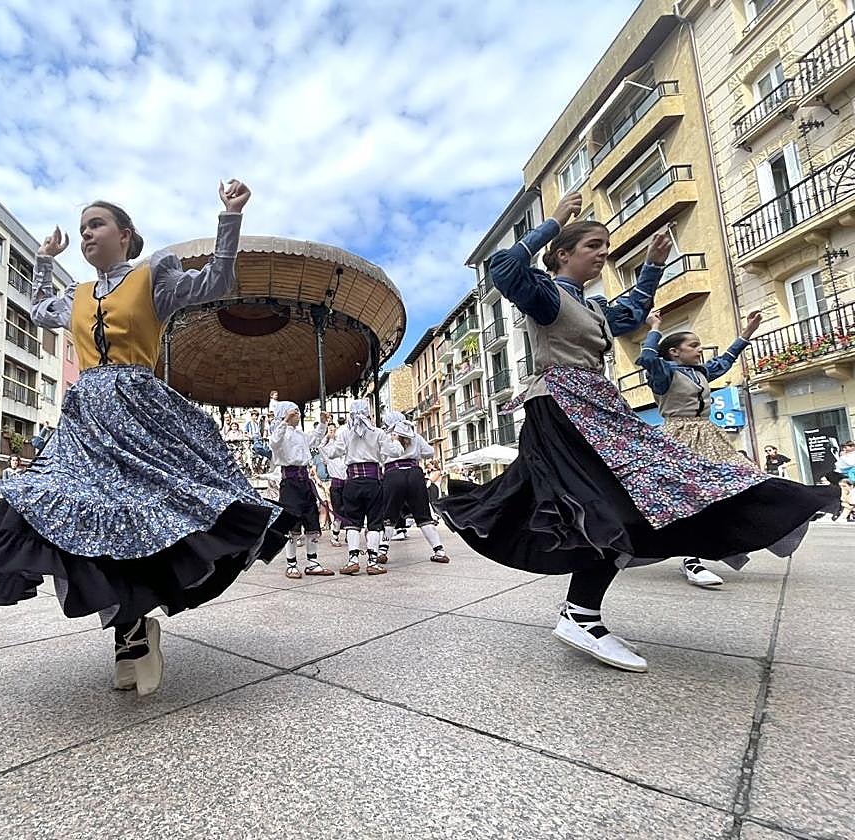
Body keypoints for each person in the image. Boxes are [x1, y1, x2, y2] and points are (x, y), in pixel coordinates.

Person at [436, 192, 839, 674]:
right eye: (593, 244)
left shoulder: (593, 307)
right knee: (608, 506)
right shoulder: (547, 296)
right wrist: (553, 221)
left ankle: (580, 613)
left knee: (633, 501)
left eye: (605, 244)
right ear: (564, 254)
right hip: (562, 409)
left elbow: (632, 312)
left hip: (595, 406)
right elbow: (503, 269)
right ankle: (581, 616)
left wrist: (652, 265)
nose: (603, 252)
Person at [0, 179, 288, 697]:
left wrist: (229, 217)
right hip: (86, 420)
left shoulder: (151, 279)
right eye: (81, 228)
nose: (86, 234)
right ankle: (128, 634)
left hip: (139, 412)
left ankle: (133, 632)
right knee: (77, 515)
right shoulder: (74, 297)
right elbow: (37, 311)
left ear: (125, 234)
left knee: (139, 516)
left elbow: (216, 281)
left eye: (95, 224)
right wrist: (42, 260)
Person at [637, 308, 763, 587]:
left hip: (708, 434)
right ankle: (692, 560)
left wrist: (747, 333)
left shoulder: (701, 372)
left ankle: (719, 542)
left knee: (744, 480)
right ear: (674, 352)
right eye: (693, 345)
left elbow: (727, 360)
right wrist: (655, 326)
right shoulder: (663, 374)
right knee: (691, 498)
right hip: (678, 435)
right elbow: (647, 357)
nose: (700, 349)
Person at [322, 399, 403, 576]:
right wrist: (395, 440)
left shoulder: (345, 433)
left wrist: (325, 442)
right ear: (368, 413)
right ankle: (373, 562)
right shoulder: (378, 432)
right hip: (374, 480)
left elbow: (332, 453)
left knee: (352, 521)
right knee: (374, 522)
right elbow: (396, 452)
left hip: (352, 481)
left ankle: (353, 559)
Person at [269, 401, 333, 578]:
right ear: (287, 415)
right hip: (289, 483)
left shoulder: (300, 434)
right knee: (292, 523)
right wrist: (284, 422)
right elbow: (274, 443)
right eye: (295, 413)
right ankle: (291, 564)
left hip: (304, 481)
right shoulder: (280, 434)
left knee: (311, 520)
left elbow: (315, 439)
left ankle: (312, 562)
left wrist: (322, 423)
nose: (298, 416)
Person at [377, 411, 449, 565]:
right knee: (423, 514)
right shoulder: (414, 435)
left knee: (389, 514)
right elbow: (429, 452)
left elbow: (380, 457)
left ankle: (382, 550)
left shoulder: (386, 436)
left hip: (393, 473)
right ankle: (439, 550)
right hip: (415, 473)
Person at [321, 423, 348, 548]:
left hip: (348, 484)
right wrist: (328, 436)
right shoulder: (330, 455)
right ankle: (335, 536)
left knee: (350, 510)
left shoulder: (348, 453)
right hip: (336, 484)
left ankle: (349, 534)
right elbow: (321, 447)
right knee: (338, 512)